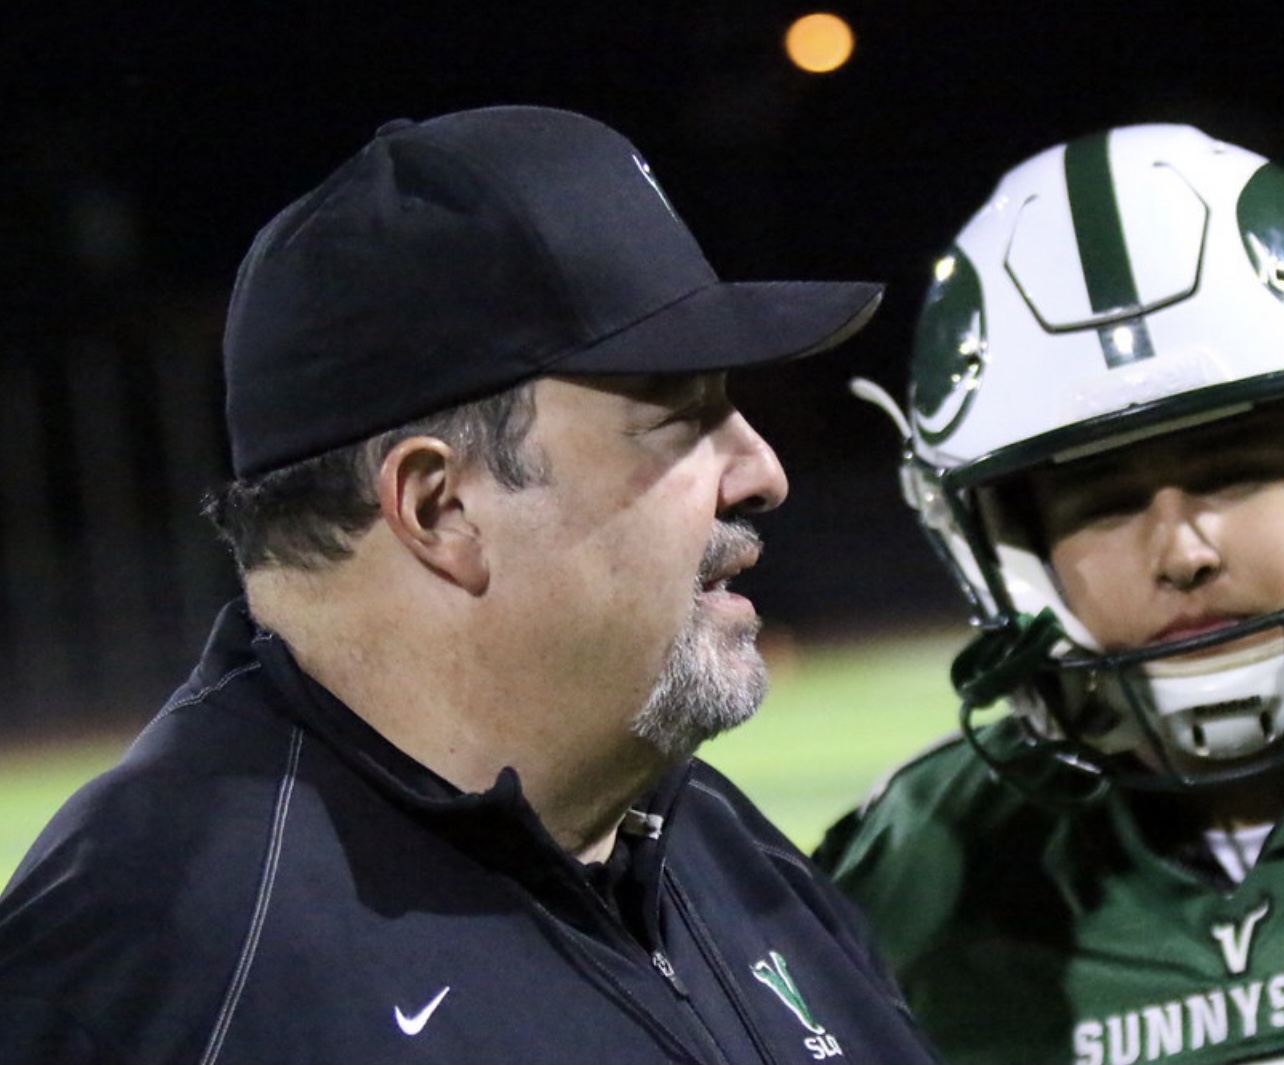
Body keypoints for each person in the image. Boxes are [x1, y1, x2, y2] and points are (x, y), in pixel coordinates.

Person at [0, 105, 939, 1065]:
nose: (761, 469)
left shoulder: (720, 847)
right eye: (681, 417)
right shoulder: (150, 971)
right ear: (441, 506)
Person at [818, 123, 1284, 1064]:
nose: (1180, 549)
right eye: (1102, 502)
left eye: (1234, 471)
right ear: (1003, 545)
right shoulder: (919, 874)